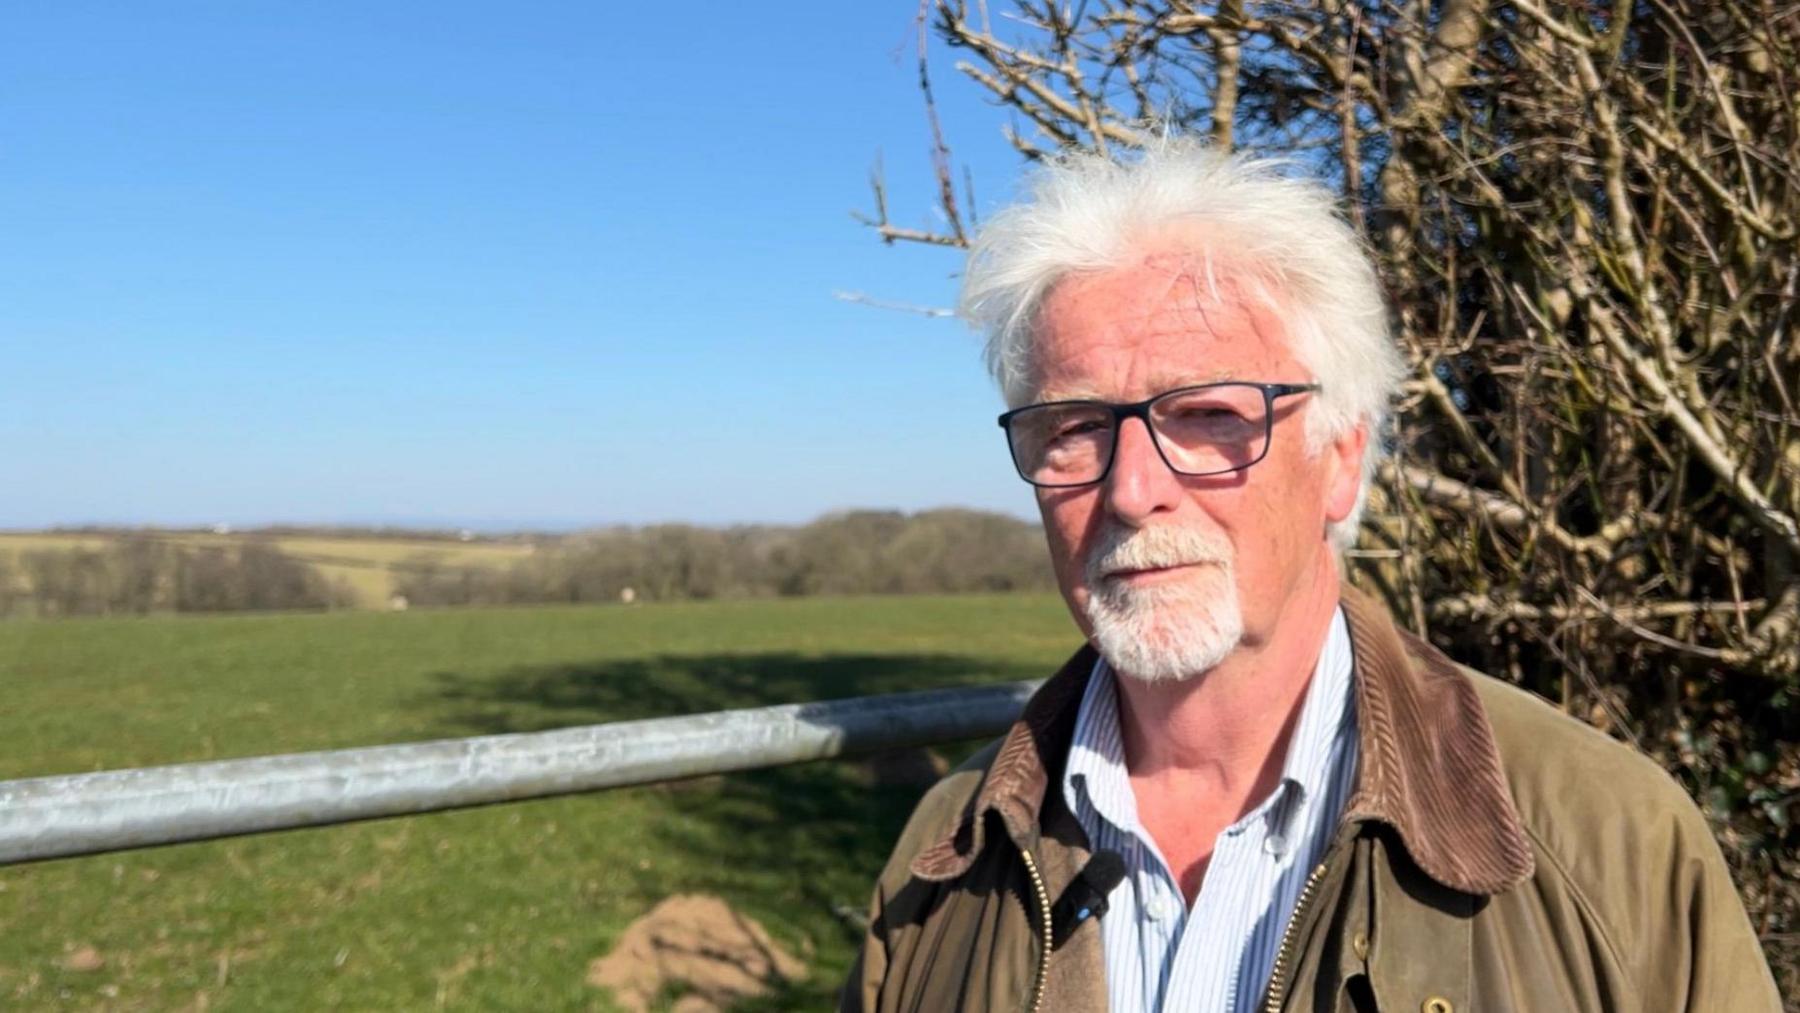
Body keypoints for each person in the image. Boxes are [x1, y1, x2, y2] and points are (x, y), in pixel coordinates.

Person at [839, 138, 1780, 1012]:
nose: (1132, 489)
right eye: (1074, 428)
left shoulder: (1608, 848)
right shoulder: (942, 862)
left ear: (1340, 459)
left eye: (1208, 416)